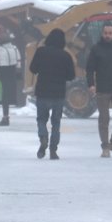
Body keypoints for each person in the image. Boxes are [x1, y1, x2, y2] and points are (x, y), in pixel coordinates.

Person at [29, 28, 75, 160]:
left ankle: (43, 137)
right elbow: (71, 76)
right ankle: (53, 150)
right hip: (58, 94)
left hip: (43, 92)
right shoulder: (66, 56)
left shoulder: (41, 52)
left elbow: (33, 68)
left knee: (42, 119)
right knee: (56, 123)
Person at [85, 22, 112, 157]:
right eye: (105, 33)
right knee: (104, 119)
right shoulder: (96, 49)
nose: (108, 35)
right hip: (102, 89)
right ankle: (105, 146)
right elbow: (90, 69)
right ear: (102, 34)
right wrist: (91, 84)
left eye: (110, 33)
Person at [0, 36, 21, 126]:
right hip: (12, 72)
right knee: (9, 94)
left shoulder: (0, 49)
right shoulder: (14, 48)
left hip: (3, 73)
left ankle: (5, 118)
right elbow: (18, 62)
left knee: (4, 97)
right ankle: (6, 116)